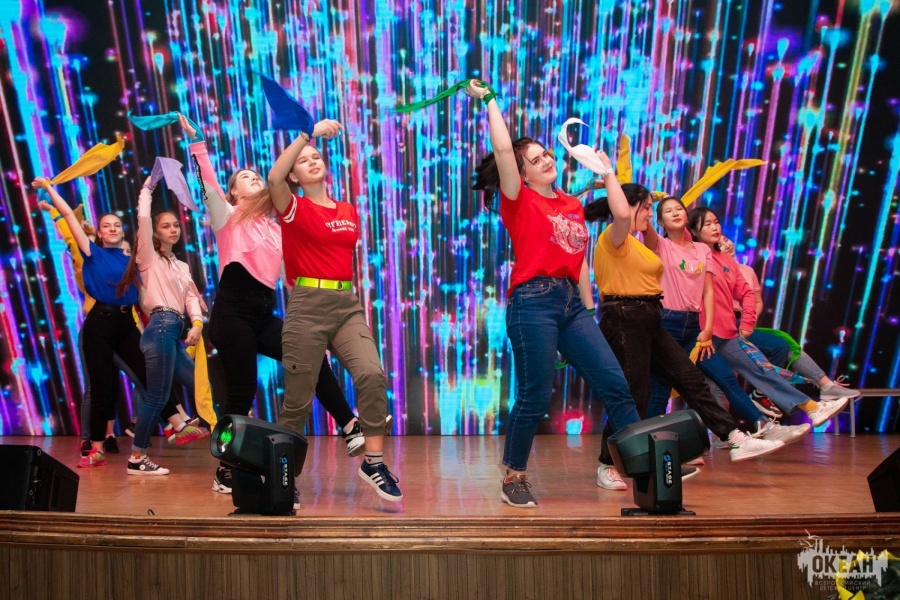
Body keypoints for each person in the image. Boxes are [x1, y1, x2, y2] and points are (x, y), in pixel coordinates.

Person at [466, 79, 643, 507]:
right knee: (535, 394)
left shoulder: (571, 204)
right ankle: (514, 476)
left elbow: (595, 244)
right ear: (522, 174)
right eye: (535, 159)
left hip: (571, 305)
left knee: (616, 384)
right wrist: (489, 100)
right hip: (532, 303)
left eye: (546, 153)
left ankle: (645, 462)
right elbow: (503, 149)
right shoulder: (518, 199)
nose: (546, 160)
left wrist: (607, 173)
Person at [179, 115, 375, 495]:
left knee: (310, 358)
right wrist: (198, 143)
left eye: (256, 176)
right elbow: (208, 183)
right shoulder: (227, 217)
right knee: (242, 393)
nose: (254, 179)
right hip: (232, 314)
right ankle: (226, 469)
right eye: (245, 178)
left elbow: (296, 267)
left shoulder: (277, 227)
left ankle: (350, 426)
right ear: (233, 193)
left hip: (263, 313)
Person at [242, 115, 401, 504]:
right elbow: (274, 177)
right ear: (294, 175)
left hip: (346, 305)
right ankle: (282, 479)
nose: (312, 161)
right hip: (307, 306)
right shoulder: (292, 205)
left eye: (316, 156)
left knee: (371, 374)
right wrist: (305, 135)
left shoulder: (347, 209)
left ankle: (373, 463)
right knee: (297, 401)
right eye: (303, 160)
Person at [584, 183, 785, 491]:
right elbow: (622, 214)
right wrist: (610, 176)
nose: (649, 213)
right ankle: (608, 464)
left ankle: (735, 438)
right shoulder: (614, 237)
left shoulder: (639, 244)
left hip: (652, 315)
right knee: (634, 394)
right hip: (624, 317)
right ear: (628, 207)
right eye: (646, 207)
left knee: (689, 378)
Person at [644, 197, 810, 444]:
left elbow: (708, 291)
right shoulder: (661, 245)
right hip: (666, 324)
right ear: (659, 221)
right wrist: (647, 204)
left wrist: (707, 329)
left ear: (687, 216)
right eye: (668, 211)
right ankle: (652, 444)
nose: (675, 213)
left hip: (694, 328)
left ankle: (765, 426)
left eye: (679, 209)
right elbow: (643, 226)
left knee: (726, 379)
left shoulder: (702, 250)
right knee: (660, 388)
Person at [687, 207, 851, 428]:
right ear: (693, 231)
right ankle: (734, 433)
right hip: (697, 335)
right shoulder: (690, 256)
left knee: (759, 370)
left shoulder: (727, 261)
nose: (715, 227)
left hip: (725, 331)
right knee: (715, 385)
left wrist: (747, 322)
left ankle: (808, 410)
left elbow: (747, 294)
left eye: (716, 222)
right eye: (707, 224)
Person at [33, 177, 151, 469]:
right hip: (99, 322)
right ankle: (94, 445)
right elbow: (69, 219)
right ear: (98, 232)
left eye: (117, 225)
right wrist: (49, 190)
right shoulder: (90, 252)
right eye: (106, 226)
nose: (112, 229)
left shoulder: (130, 260)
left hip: (126, 324)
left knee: (145, 375)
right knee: (100, 388)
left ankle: (170, 423)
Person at [117, 176, 210, 475]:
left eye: (175, 225)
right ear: (155, 233)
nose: (173, 229)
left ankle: (228, 437)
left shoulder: (181, 265)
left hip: (174, 330)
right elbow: (143, 219)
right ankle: (137, 457)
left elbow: (191, 297)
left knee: (200, 385)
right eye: (166, 226)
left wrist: (197, 323)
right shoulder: (148, 258)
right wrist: (146, 190)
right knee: (156, 396)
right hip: (159, 328)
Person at [718, 236, 859, 408]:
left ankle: (825, 386)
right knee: (723, 384)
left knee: (785, 344)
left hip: (745, 322)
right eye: (720, 245)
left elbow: (757, 302)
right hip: (723, 325)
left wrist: (749, 320)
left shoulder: (747, 270)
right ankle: (760, 400)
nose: (726, 245)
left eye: (726, 240)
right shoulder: (714, 271)